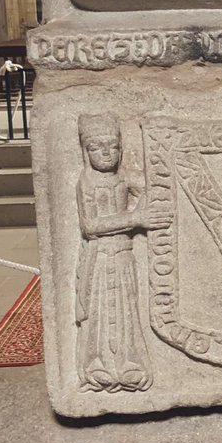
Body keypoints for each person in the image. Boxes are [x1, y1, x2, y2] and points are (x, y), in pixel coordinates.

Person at [74, 114, 167, 394]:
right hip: (100, 258)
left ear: (121, 150)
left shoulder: (124, 177)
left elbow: (154, 186)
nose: (106, 153)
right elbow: (90, 225)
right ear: (85, 151)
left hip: (124, 256)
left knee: (126, 311)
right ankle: (97, 368)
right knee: (101, 313)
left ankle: (129, 366)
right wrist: (135, 217)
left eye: (112, 146)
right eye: (96, 147)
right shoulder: (86, 183)